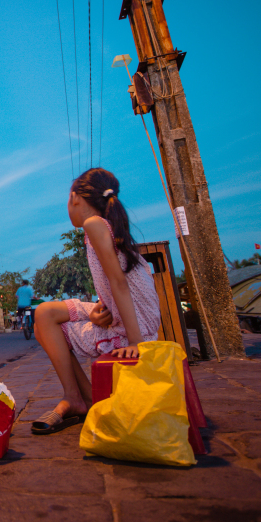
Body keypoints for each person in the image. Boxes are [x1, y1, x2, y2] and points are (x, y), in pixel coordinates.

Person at [31, 168, 161, 435]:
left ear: (74, 197)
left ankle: (78, 398)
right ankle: (79, 398)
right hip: (124, 313)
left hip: (134, 327)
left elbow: (119, 282)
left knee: (44, 323)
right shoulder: (105, 226)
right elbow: (116, 284)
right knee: (44, 313)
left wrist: (136, 342)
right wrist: (96, 311)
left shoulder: (94, 224)